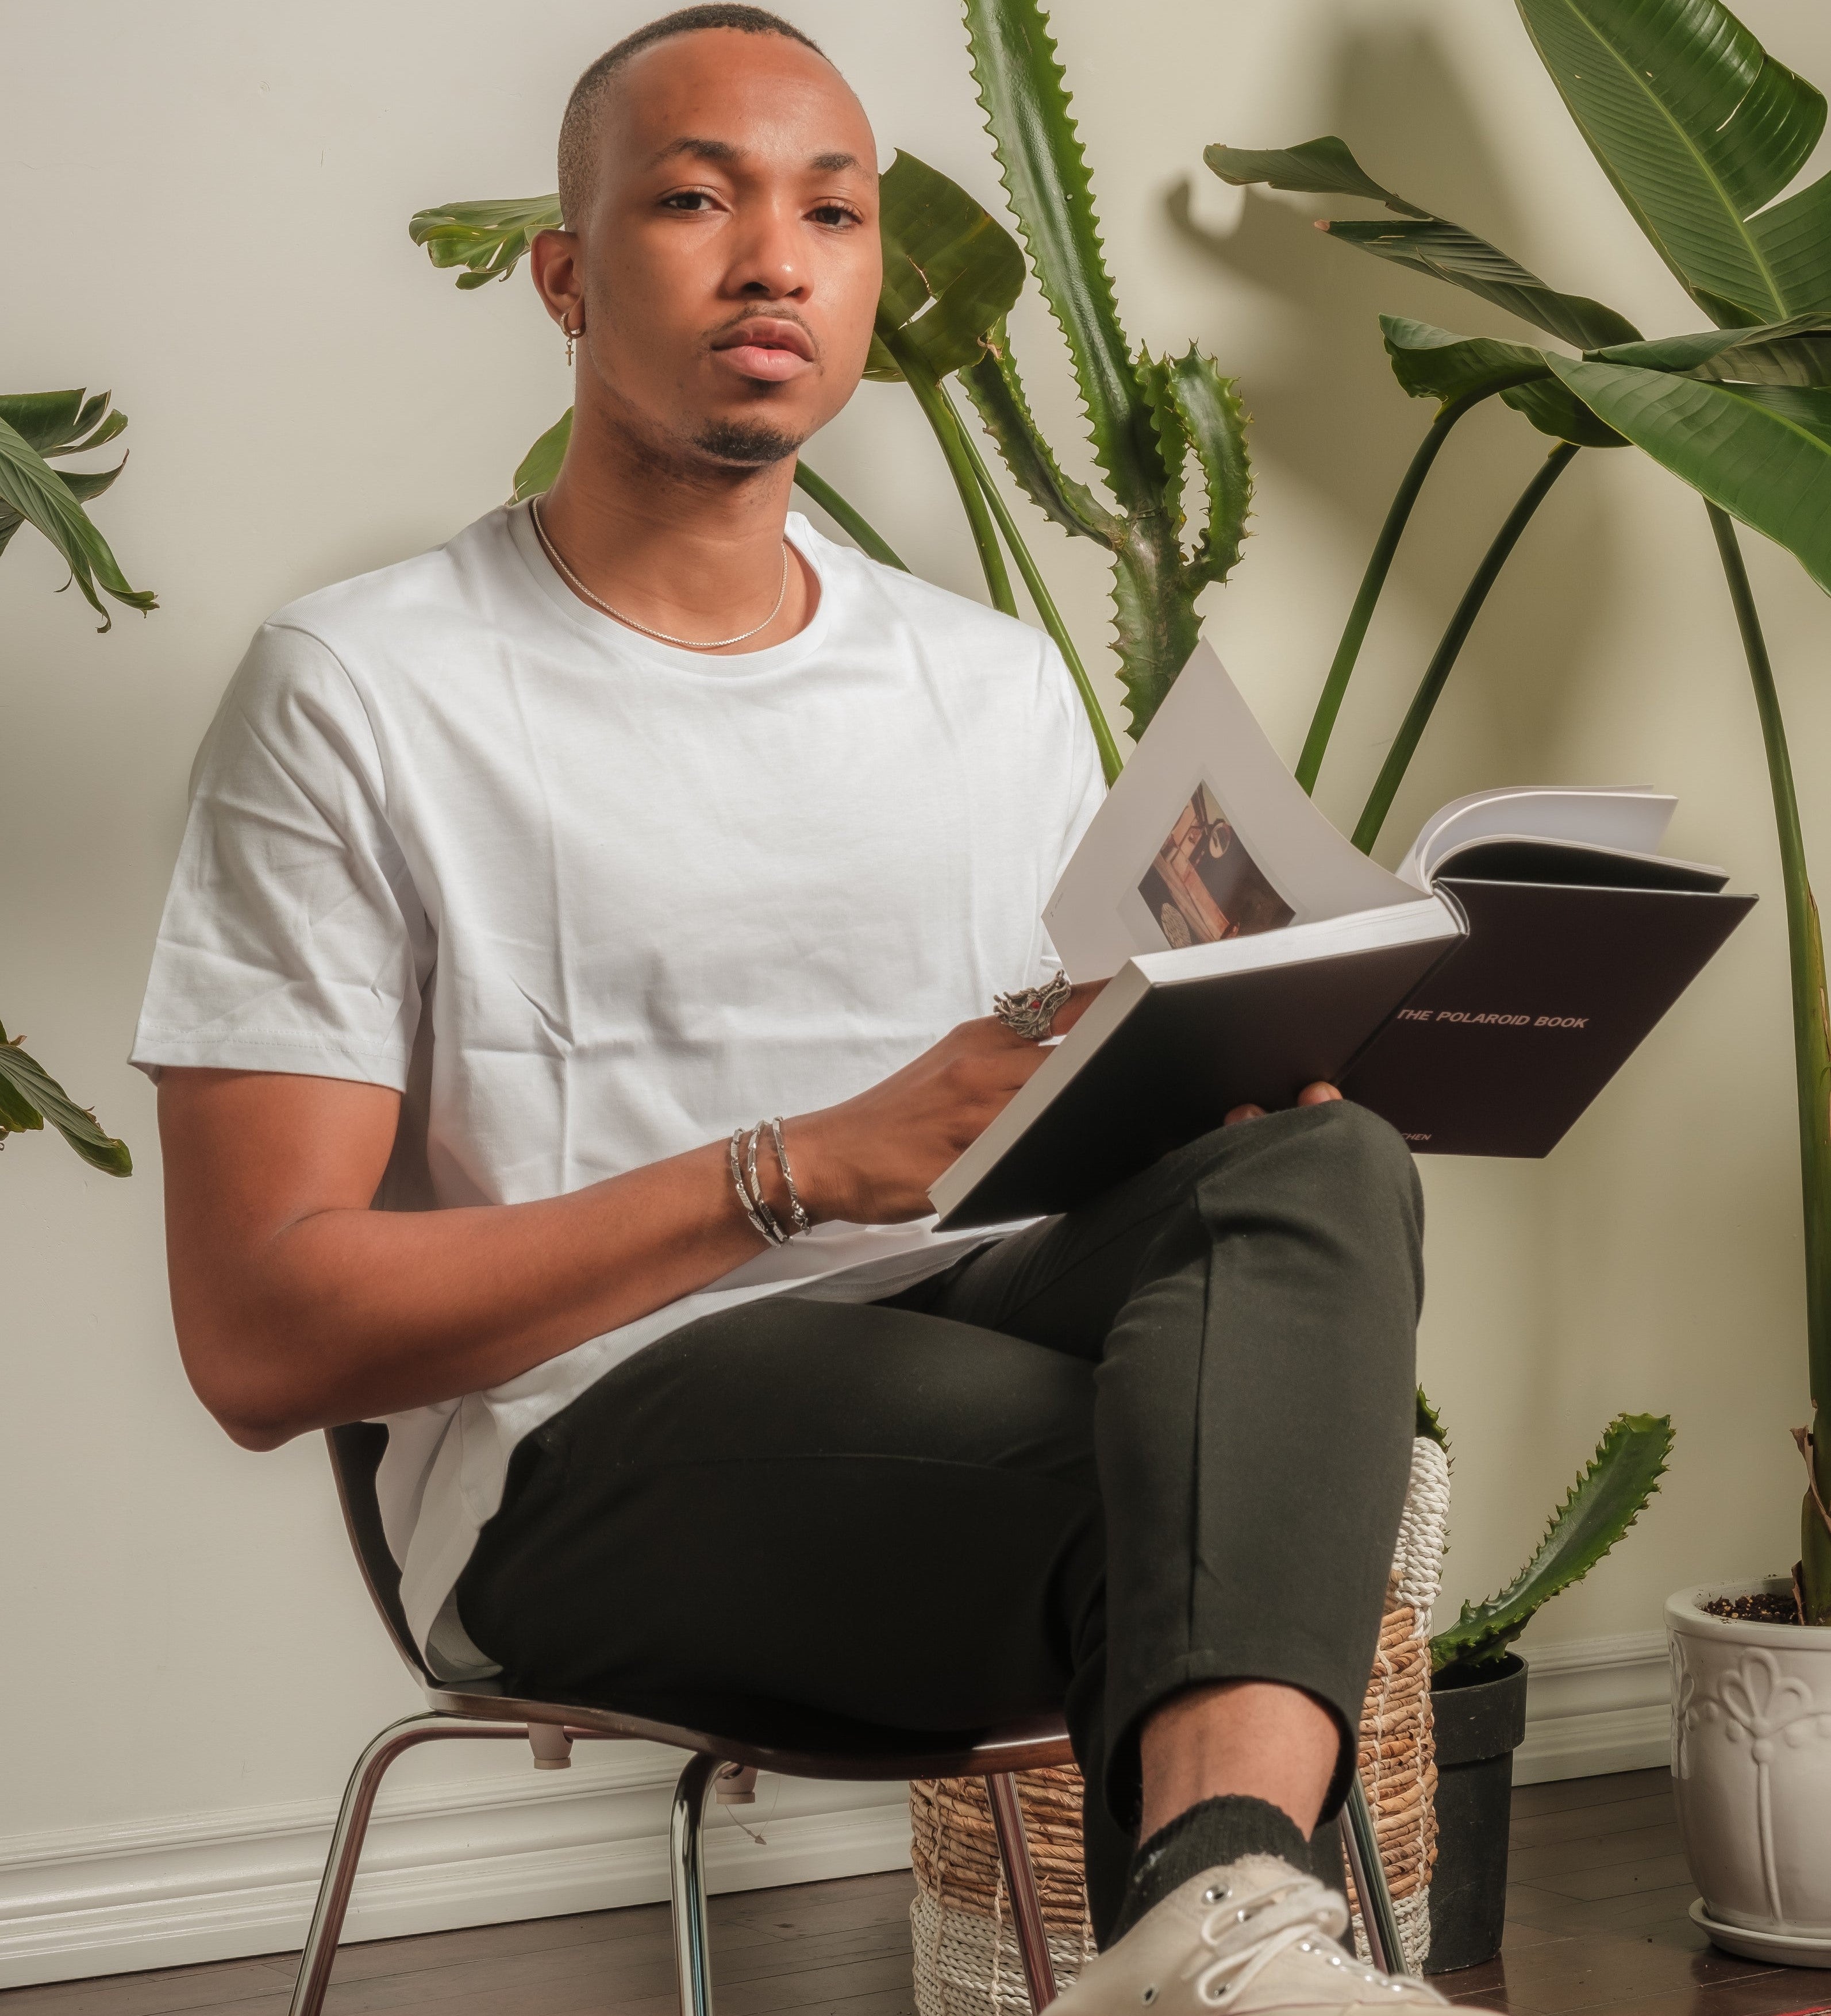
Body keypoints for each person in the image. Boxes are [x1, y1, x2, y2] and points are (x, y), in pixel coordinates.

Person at [136, 9, 1443, 2009]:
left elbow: (1042, 1122)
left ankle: (1226, 1915)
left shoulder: (987, 682)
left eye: (833, 211)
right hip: (570, 1450)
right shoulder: (358, 690)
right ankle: (1239, 1946)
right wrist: (790, 1170)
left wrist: (1230, 1062)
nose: (776, 257)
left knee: (1322, 1163)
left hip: (950, 1326)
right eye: (692, 198)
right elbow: (254, 1334)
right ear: (566, 278)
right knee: (1173, 1475)